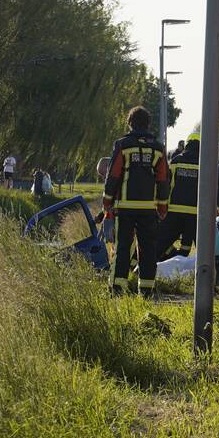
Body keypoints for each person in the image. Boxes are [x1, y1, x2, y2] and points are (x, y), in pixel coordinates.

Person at [95, 106, 169, 297]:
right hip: (148, 209)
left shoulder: (123, 145)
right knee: (148, 250)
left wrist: (107, 203)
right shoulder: (158, 148)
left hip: (125, 208)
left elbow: (113, 175)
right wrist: (162, 207)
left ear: (130, 123)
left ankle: (117, 289)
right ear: (148, 124)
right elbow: (163, 180)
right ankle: (145, 291)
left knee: (122, 248)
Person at [157, 133, 219, 260]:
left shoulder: (175, 161)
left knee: (159, 245)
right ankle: (209, 274)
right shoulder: (207, 164)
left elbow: (165, 185)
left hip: (174, 213)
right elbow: (218, 191)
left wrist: (161, 207)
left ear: (187, 145)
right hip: (198, 216)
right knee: (205, 252)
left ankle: (144, 269)